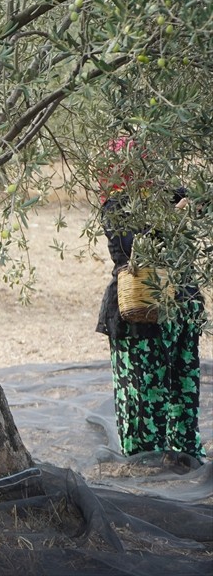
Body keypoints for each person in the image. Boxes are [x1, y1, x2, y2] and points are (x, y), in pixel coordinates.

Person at [95, 136, 206, 465]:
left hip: (182, 304)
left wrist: (196, 198)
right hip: (141, 310)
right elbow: (133, 251)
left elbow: (199, 201)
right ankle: (145, 461)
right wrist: (172, 219)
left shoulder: (164, 195)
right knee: (142, 391)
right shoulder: (116, 208)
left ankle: (183, 454)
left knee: (183, 382)